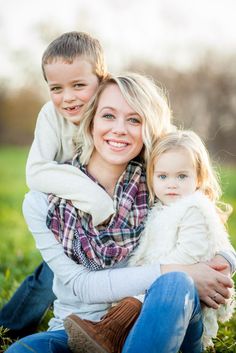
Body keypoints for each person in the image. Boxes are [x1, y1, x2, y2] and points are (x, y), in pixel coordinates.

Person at [5, 73, 235, 353]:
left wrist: (214, 265)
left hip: (158, 320)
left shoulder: (161, 182)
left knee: (174, 284)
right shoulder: (44, 202)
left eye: (134, 120)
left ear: (148, 128)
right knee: (21, 351)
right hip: (77, 330)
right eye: (108, 116)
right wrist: (181, 269)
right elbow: (81, 285)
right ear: (91, 121)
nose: (120, 129)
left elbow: (220, 243)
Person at [0, 31, 114, 338]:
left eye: (79, 85)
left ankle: (107, 325)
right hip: (70, 214)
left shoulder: (115, 109)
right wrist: (95, 198)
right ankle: (10, 324)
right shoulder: (51, 116)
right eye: (56, 88)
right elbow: (36, 173)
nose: (68, 97)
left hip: (121, 216)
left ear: (101, 80)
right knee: (52, 274)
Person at [128, 130, 235, 349]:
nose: (172, 184)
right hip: (159, 300)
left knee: (170, 286)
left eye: (182, 176)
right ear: (152, 177)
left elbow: (189, 255)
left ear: (199, 178)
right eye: (163, 176)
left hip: (185, 310)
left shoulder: (194, 209)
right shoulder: (159, 210)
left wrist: (144, 278)